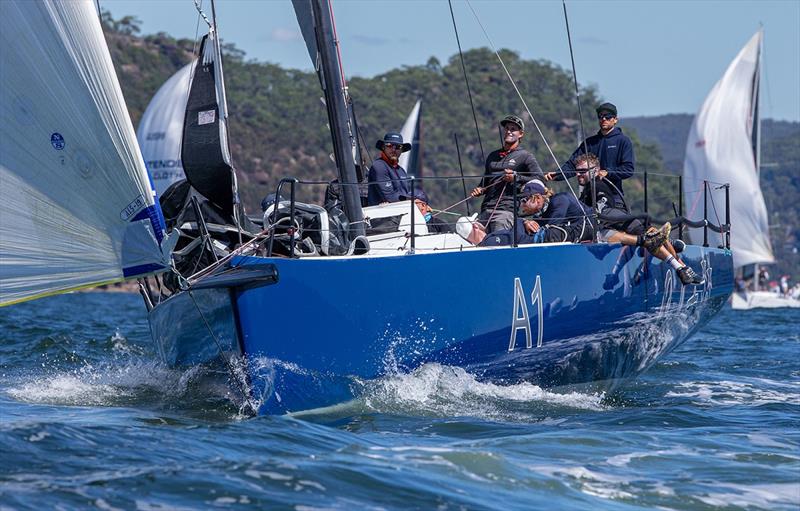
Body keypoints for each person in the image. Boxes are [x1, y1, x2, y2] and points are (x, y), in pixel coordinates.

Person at [572, 153, 703, 286]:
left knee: (649, 235)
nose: (578, 174)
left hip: (607, 230)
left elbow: (605, 210)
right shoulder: (589, 190)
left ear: (595, 171)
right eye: (576, 171)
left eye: (582, 171)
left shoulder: (597, 186)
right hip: (609, 230)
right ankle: (681, 266)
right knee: (651, 235)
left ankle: (680, 266)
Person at [544, 102, 634, 209]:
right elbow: (572, 164)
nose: (604, 119)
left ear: (615, 120)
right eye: (601, 116)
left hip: (614, 196)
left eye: (608, 116)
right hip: (589, 197)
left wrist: (608, 173)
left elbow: (628, 169)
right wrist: (557, 175)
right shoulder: (589, 142)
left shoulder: (623, 141)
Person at [470, 115, 543, 232]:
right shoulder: (492, 156)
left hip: (505, 212)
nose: (509, 131)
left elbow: (540, 178)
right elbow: (485, 182)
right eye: (507, 128)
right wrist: (480, 189)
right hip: (486, 210)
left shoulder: (525, 156)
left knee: (497, 245)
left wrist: (516, 178)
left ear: (521, 134)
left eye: (513, 129)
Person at [474, 179, 594, 246]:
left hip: (593, 232)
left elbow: (552, 230)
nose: (521, 205)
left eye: (524, 200)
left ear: (537, 198)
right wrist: (525, 222)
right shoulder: (542, 213)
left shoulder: (559, 201)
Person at [367, 132, 412, 206]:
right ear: (383, 148)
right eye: (389, 145)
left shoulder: (401, 171)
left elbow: (406, 193)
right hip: (383, 214)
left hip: (403, 210)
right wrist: (412, 201)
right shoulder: (379, 166)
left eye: (398, 147)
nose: (393, 150)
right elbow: (389, 197)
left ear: (401, 150)